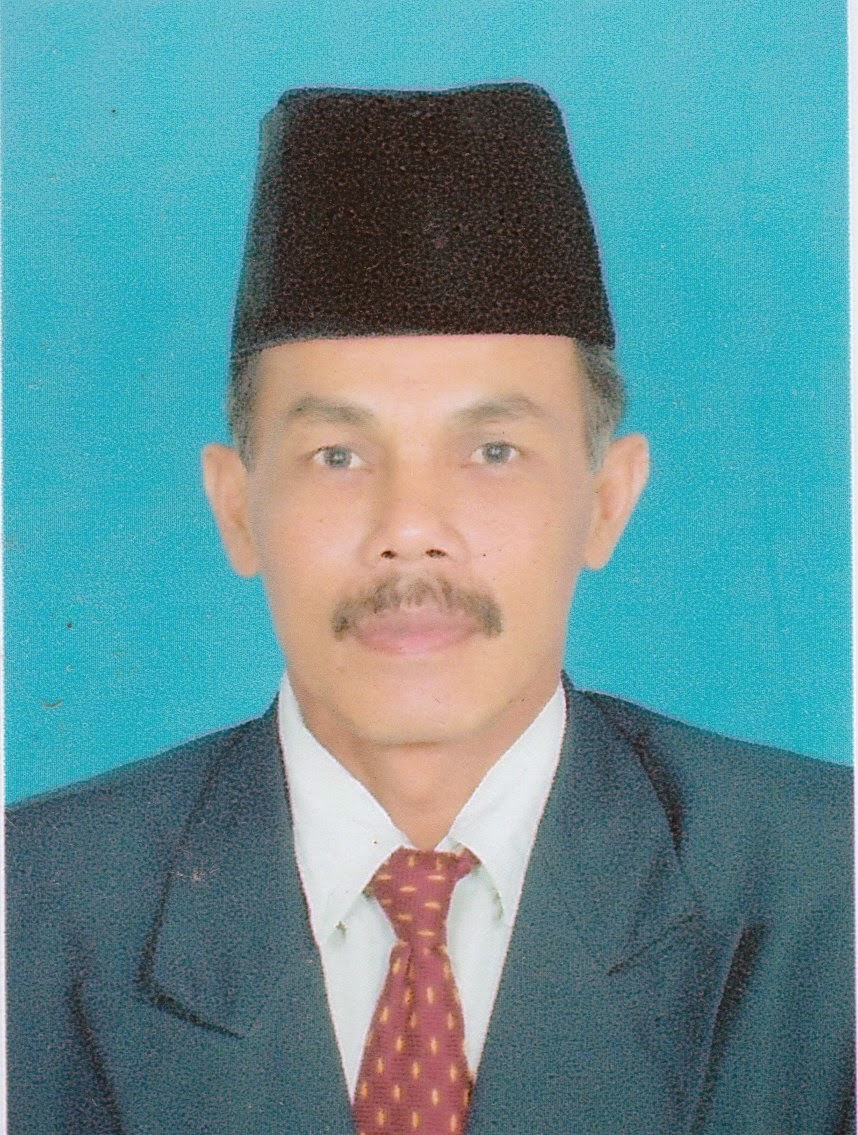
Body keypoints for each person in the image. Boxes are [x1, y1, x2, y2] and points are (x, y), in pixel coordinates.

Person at [7, 83, 852, 1135]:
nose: (410, 529)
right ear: (235, 507)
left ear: (606, 499)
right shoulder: (28, 907)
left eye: (493, 451)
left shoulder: (830, 890)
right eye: (337, 455)